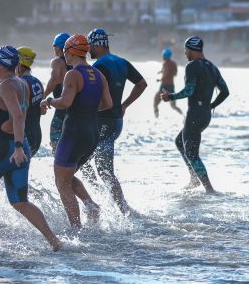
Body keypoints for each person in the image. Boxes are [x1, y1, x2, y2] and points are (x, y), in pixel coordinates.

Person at [0, 46, 61, 250]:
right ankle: (54, 242)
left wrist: (16, 147)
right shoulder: (20, 83)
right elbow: (7, 111)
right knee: (20, 202)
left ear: (0, 64)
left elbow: (17, 115)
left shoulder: (7, 86)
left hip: (3, 147)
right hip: (20, 146)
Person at [41, 35, 112, 229]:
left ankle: (76, 228)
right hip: (92, 134)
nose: (64, 54)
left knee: (61, 181)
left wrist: (47, 102)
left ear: (72, 51)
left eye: (65, 51)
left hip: (73, 132)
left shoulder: (72, 74)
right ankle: (91, 206)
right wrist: (87, 109)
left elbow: (64, 102)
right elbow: (108, 104)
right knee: (68, 175)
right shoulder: (98, 74)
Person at [81, 28, 147, 214]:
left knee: (100, 167)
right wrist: (125, 104)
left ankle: (119, 206)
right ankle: (110, 201)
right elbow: (142, 84)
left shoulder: (99, 66)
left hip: (103, 122)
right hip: (116, 121)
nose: (88, 51)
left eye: (90, 46)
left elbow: (92, 96)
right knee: (92, 163)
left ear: (97, 44)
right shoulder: (122, 62)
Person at [161, 36, 229, 193]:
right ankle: (194, 178)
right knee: (180, 142)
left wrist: (169, 97)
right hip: (205, 115)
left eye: (186, 50)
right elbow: (225, 91)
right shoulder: (212, 67)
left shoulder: (192, 66)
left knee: (192, 153)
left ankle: (209, 189)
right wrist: (211, 105)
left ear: (192, 50)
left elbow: (189, 91)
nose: (185, 53)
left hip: (195, 115)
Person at [43, 32, 71, 154]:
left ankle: (60, 170)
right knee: (74, 146)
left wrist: (43, 96)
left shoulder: (57, 62)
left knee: (56, 143)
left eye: (54, 46)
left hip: (61, 108)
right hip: (75, 109)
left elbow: (55, 79)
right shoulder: (76, 63)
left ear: (58, 47)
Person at [16, 46, 44, 156]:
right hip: (36, 134)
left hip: (25, 135)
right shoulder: (38, 82)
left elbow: (17, 113)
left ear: (19, 64)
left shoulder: (20, 83)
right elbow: (40, 109)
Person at [154, 49, 183, 117]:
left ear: (165, 56)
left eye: (163, 55)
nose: (162, 56)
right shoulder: (173, 63)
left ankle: (156, 115)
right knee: (173, 105)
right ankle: (182, 115)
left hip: (165, 85)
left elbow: (167, 73)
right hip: (171, 85)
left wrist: (160, 79)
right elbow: (174, 73)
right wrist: (161, 71)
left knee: (156, 101)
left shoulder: (166, 63)